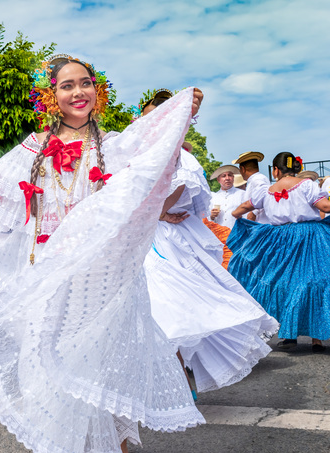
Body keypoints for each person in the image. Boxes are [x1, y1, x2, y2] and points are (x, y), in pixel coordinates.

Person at [0, 55, 205, 453]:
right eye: (67, 86)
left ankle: (117, 452)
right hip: (50, 270)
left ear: (97, 89)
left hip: (105, 272)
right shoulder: (31, 149)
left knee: (108, 359)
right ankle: (65, 448)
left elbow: (155, 158)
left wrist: (181, 113)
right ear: (51, 96)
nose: (78, 92)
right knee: (52, 357)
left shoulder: (115, 145)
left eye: (85, 83)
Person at [139, 92, 277, 399]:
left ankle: (180, 379)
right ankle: (170, 380)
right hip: (148, 233)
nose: (153, 123)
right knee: (154, 308)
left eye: (159, 116)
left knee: (170, 306)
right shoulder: (144, 151)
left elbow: (182, 186)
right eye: (149, 117)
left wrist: (158, 212)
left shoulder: (181, 156)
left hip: (169, 238)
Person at [230, 152, 330, 352]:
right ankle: (316, 339)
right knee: (314, 281)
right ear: (295, 168)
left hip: (280, 240)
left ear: (275, 170)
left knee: (283, 284)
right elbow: (325, 206)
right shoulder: (307, 185)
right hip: (309, 237)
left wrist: (236, 214)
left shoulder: (266, 191)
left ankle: (288, 335)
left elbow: (244, 206)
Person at [234, 151, 269, 223]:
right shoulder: (254, 179)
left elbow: (264, 196)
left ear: (242, 169)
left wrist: (254, 212)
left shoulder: (257, 179)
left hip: (260, 223)